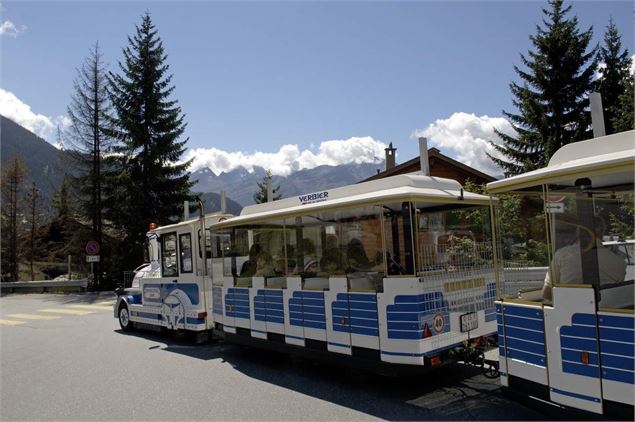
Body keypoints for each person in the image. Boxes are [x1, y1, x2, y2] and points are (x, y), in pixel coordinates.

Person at [542, 216, 627, 302]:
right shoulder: (619, 262)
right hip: (606, 310)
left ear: (578, 231)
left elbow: (547, 293)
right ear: (602, 232)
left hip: (568, 311)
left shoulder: (562, 256)